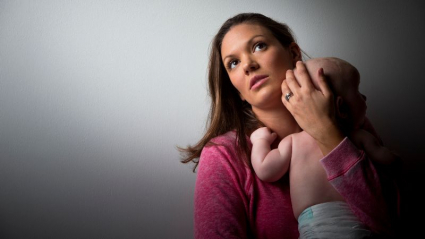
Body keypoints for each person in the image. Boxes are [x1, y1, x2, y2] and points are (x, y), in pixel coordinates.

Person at [179, 13, 399, 238]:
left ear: (293, 54)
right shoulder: (223, 155)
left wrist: (327, 133)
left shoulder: (348, 123)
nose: (248, 65)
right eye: (233, 63)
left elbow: (392, 223)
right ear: (237, 91)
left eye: (258, 46)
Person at [250, 57, 399, 238]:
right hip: (358, 227)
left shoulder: (293, 142)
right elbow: (389, 161)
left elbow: (266, 169)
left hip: (315, 229)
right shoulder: (360, 137)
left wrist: (260, 142)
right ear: (341, 107)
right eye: (358, 91)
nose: (364, 97)